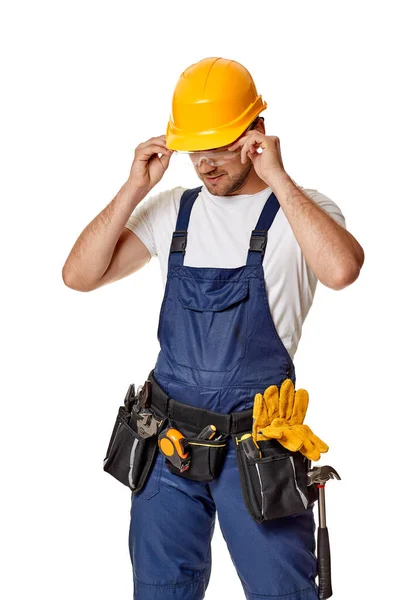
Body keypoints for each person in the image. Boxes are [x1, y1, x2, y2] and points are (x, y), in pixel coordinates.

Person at [62, 57, 364, 600]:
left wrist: (278, 177)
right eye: (195, 149)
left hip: (255, 449)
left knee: (282, 591)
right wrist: (134, 186)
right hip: (167, 443)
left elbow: (342, 270)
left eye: (220, 146)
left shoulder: (304, 211)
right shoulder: (172, 210)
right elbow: (78, 276)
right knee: (160, 590)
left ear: (256, 135)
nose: (205, 164)